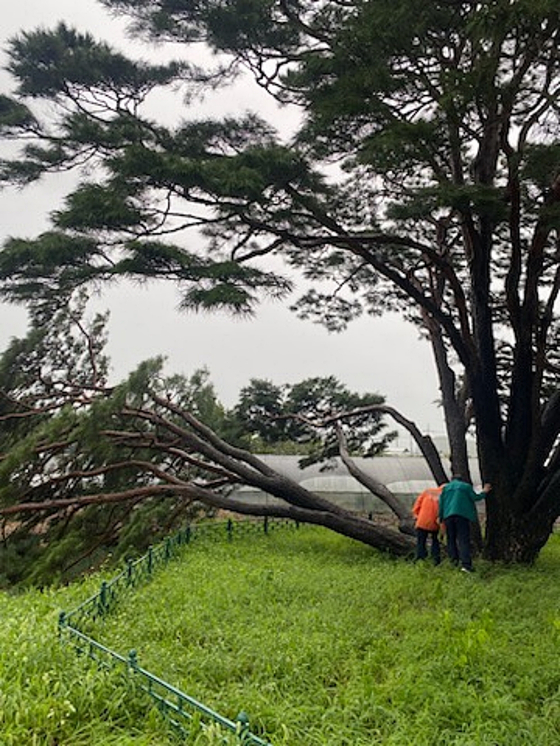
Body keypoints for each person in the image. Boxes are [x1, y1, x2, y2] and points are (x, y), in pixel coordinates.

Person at [438, 475, 492, 573]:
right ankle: (466, 565)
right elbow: (475, 497)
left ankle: (453, 562)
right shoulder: (465, 486)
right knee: (463, 540)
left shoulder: (446, 488)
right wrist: (485, 491)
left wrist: (441, 518)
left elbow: (441, 504)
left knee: (451, 540)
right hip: (462, 515)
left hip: (448, 516)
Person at [412, 485, 444, 565]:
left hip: (422, 520)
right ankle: (436, 560)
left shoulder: (427, 491)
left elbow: (417, 505)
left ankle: (420, 558)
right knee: (435, 540)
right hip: (434, 522)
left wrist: (416, 515)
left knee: (421, 541)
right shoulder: (444, 496)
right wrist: (443, 530)